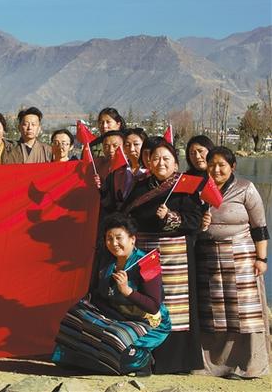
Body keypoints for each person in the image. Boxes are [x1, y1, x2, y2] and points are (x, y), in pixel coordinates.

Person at [122, 139, 205, 374]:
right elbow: (128, 217)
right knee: (148, 302)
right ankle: (146, 358)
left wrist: (171, 217)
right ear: (149, 162)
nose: (161, 163)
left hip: (176, 255)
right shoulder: (140, 188)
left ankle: (178, 361)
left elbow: (195, 221)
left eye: (166, 158)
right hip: (146, 254)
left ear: (176, 163)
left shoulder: (186, 188)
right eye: (156, 158)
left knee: (177, 307)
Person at [52, 213, 170, 375]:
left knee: (116, 335)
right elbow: (96, 291)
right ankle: (83, 363)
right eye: (109, 238)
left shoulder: (147, 263)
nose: (113, 243)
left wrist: (127, 291)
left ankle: (142, 362)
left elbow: (153, 306)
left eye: (119, 238)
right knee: (74, 316)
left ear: (132, 239)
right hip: (114, 312)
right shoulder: (106, 259)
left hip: (145, 320)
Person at [196, 146, 269, 378]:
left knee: (243, 312)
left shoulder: (246, 188)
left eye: (222, 165)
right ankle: (214, 364)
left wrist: (262, 258)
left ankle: (248, 364)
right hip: (207, 257)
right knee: (213, 312)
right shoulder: (199, 190)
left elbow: (260, 227)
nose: (216, 170)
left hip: (241, 257)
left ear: (233, 167)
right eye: (212, 165)